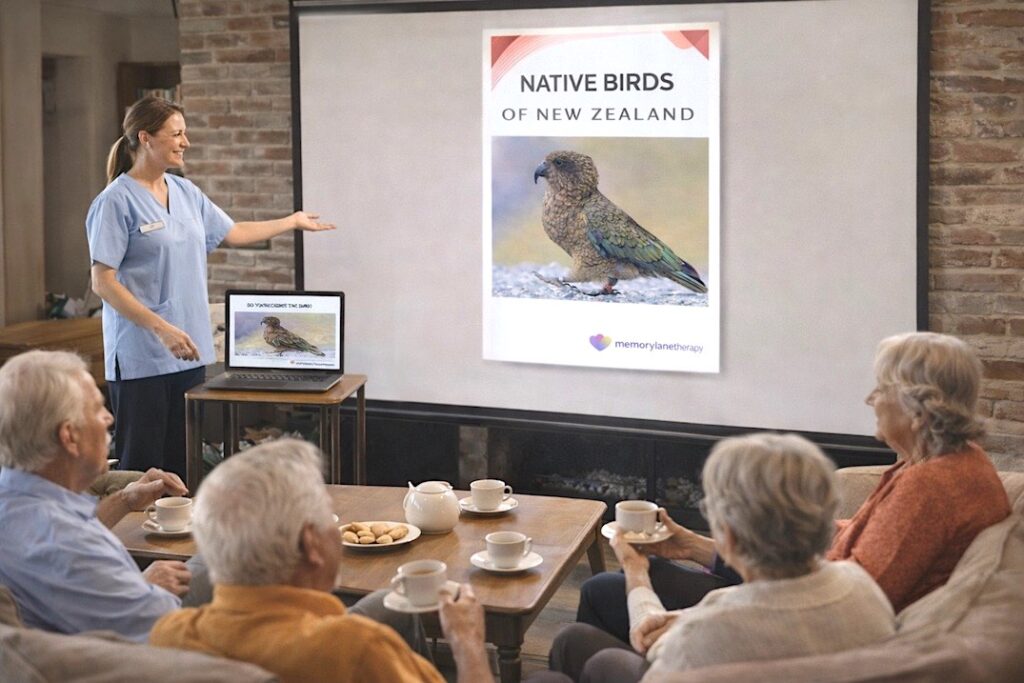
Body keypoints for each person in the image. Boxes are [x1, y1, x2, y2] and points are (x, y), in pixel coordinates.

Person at [574, 331, 1012, 645]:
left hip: (801, 622)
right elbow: (850, 544)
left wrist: (696, 622)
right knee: (638, 578)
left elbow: (843, 610)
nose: (870, 400)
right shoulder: (947, 463)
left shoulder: (931, 488)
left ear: (918, 409)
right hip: (798, 595)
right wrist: (694, 545)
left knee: (601, 596)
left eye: (882, 389)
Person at [87, 95, 335, 478]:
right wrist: (162, 329)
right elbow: (102, 282)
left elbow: (233, 232)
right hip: (143, 357)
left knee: (181, 468)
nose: (185, 141)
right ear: (146, 138)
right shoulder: (115, 202)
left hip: (188, 352)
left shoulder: (185, 192)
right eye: (177, 134)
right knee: (142, 473)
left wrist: (292, 221)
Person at [151, 439, 514, 683]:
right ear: (311, 544)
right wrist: (467, 644)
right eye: (329, 516)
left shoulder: (169, 635)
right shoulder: (358, 650)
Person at [550, 433, 895, 682]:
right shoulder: (864, 588)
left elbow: (653, 648)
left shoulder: (712, 629)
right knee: (576, 640)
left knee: (569, 652)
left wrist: (636, 573)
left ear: (728, 533)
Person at [0, 350, 202, 641]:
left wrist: (126, 499)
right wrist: (145, 586)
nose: (109, 418)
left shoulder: (18, 497)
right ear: (69, 436)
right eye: (97, 409)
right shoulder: (68, 545)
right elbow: (165, 630)